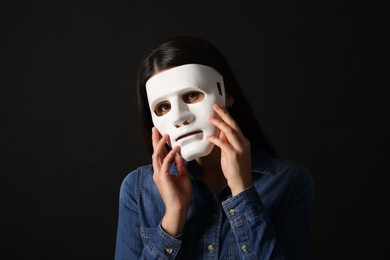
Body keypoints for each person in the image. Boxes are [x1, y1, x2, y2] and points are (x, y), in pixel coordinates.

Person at [115, 36, 313, 259]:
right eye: (163, 107)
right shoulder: (137, 190)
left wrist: (242, 193)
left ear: (227, 94)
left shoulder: (290, 180)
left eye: (191, 95)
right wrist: (173, 216)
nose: (180, 117)